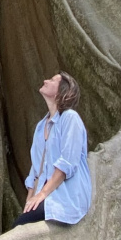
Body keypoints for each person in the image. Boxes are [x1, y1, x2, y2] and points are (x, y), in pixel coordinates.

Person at [15, 71, 91, 227]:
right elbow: (35, 172)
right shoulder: (40, 127)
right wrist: (30, 202)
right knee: (21, 223)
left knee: (21, 225)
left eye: (52, 80)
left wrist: (42, 194)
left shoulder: (70, 118)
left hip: (65, 197)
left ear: (63, 91)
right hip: (44, 196)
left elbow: (67, 163)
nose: (45, 80)